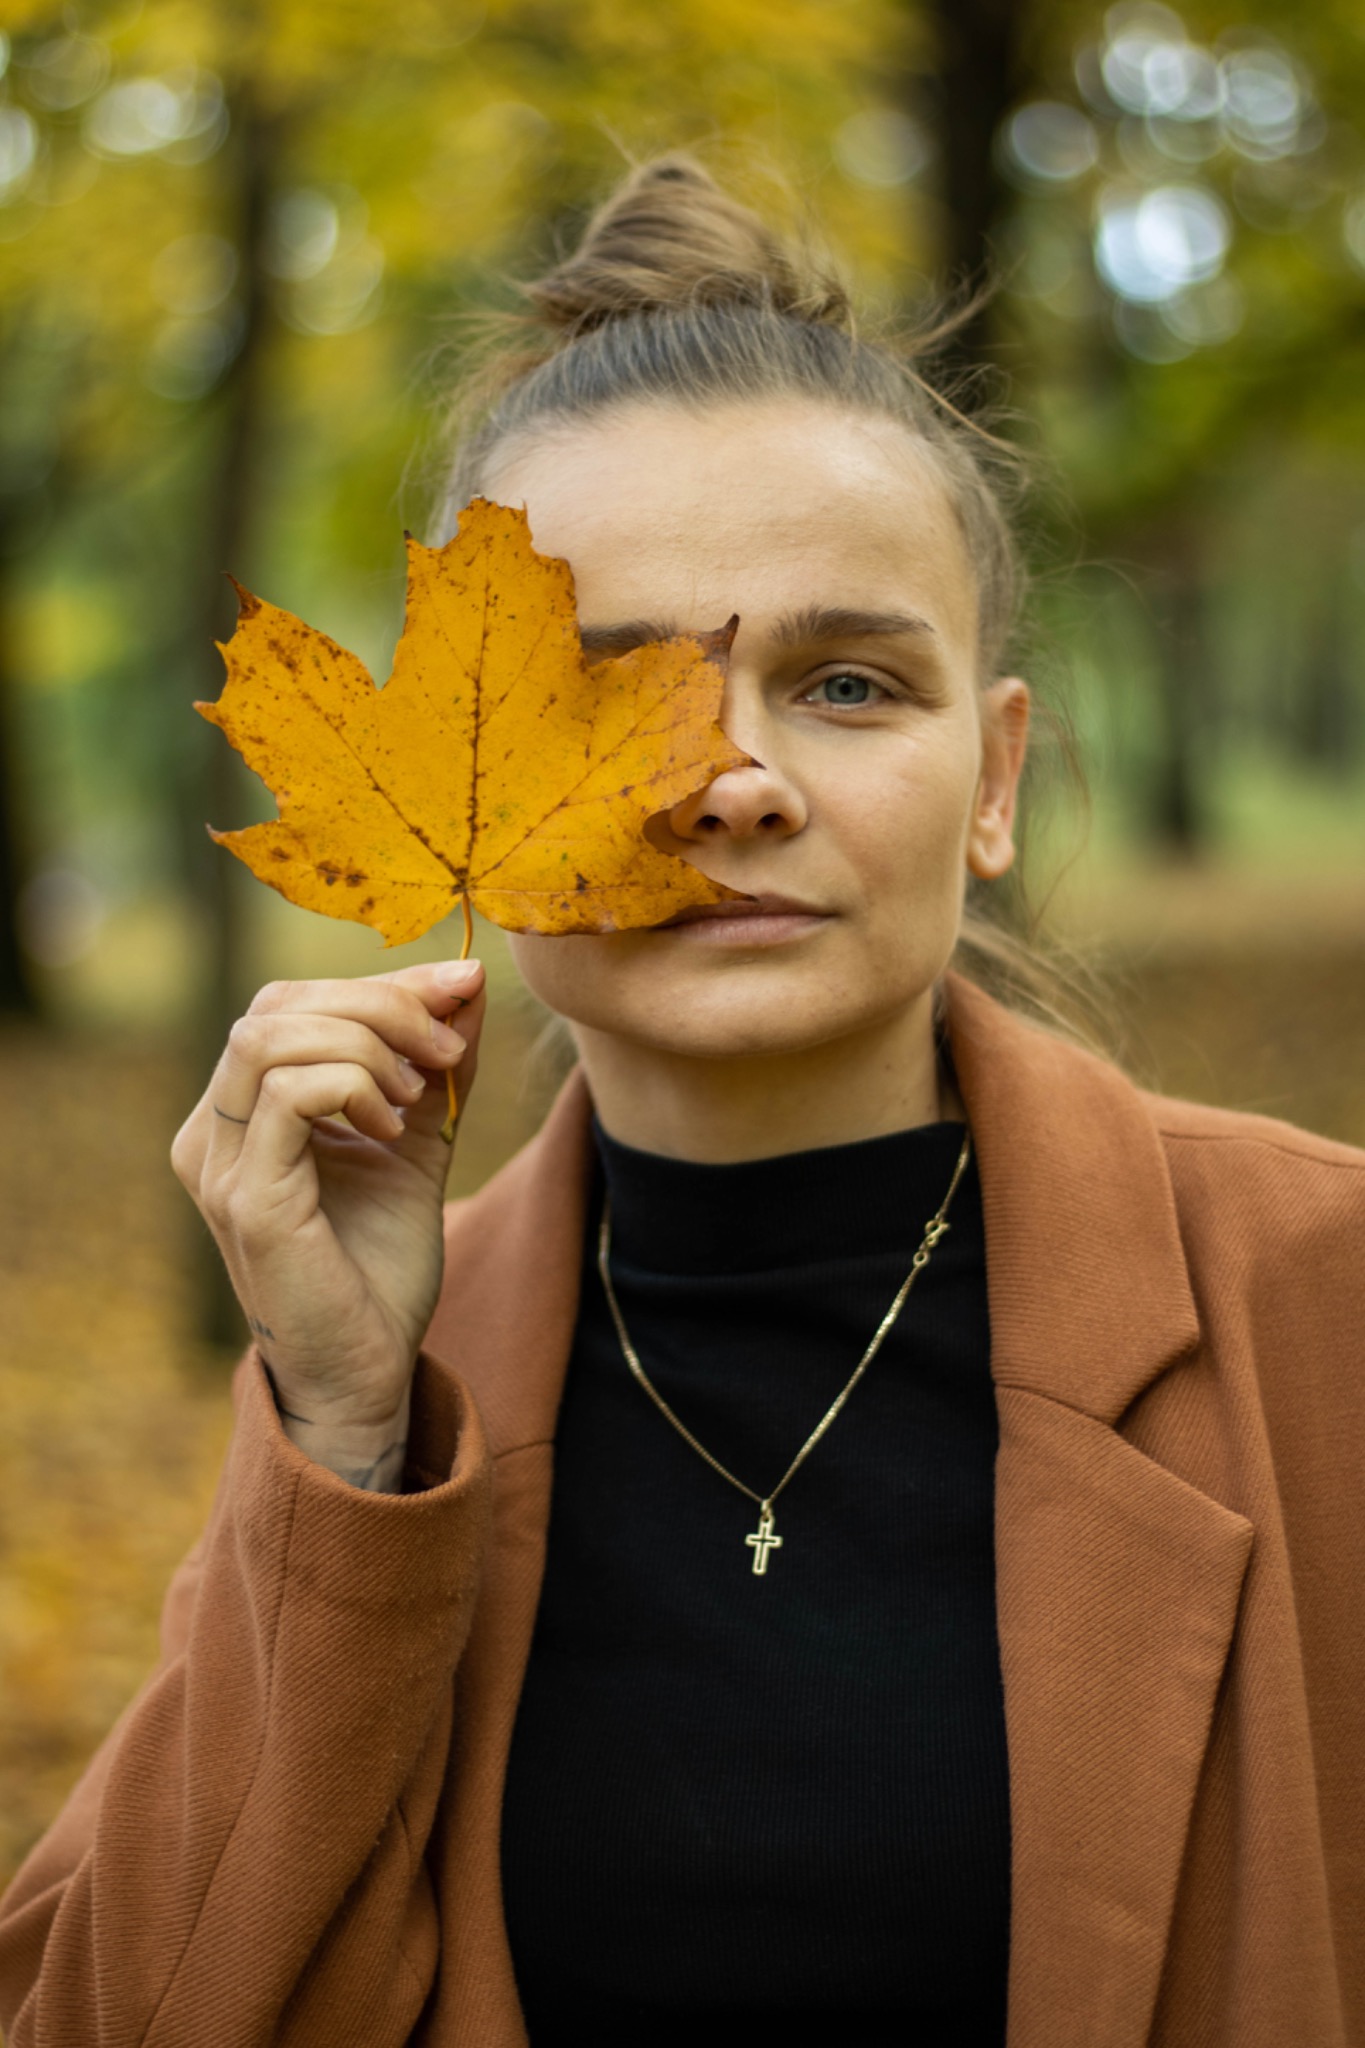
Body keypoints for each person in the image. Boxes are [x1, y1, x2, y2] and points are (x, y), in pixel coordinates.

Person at [1, 155, 1361, 2048]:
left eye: (850, 684)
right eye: (620, 691)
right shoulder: (389, 1404)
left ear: (997, 776)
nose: (731, 782)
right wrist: (342, 1438)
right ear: (480, 779)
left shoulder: (1322, 1297)